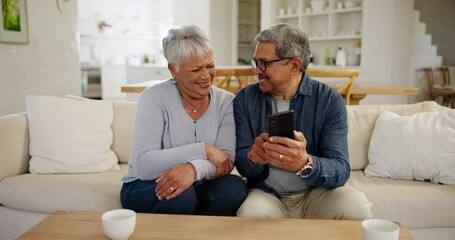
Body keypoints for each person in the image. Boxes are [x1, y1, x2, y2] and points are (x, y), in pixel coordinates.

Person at [234, 23, 372, 219]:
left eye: (264, 63)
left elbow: (341, 170)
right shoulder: (244, 99)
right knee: (251, 215)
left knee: (356, 208)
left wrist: (305, 163)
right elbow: (242, 164)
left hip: (317, 192)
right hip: (267, 193)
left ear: (294, 65)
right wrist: (253, 158)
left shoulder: (329, 100)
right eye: (255, 62)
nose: (257, 71)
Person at [120, 25, 247, 216]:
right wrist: (202, 149)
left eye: (210, 66)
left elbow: (226, 161)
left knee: (234, 189)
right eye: (196, 70)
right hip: (145, 183)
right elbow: (143, 164)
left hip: (199, 181)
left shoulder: (226, 102)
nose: (206, 76)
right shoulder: (154, 98)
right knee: (180, 193)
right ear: (173, 69)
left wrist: (193, 170)